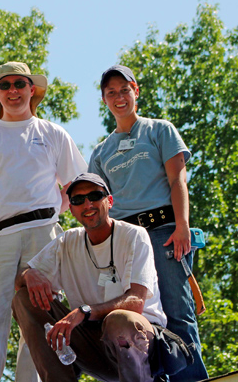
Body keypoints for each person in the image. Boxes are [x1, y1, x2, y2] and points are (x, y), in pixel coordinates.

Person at [0, 62, 87, 381]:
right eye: (5, 85)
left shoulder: (53, 133)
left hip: (44, 236)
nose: (13, 90)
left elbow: (76, 186)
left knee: (42, 320)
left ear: (32, 89)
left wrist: (54, 212)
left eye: (19, 83)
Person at [88, 65, 208, 380]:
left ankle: (192, 378)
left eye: (124, 90)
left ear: (135, 91)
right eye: (111, 93)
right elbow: (97, 203)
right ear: (104, 99)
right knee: (140, 316)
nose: (119, 97)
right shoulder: (102, 152)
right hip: (126, 241)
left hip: (166, 232)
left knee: (177, 313)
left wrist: (182, 226)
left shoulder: (159, 130)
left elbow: (177, 180)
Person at [13, 173, 168, 382]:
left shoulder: (134, 235)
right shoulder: (67, 241)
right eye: (78, 200)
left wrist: (84, 312)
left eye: (95, 196)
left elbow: (136, 301)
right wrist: (29, 274)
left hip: (140, 345)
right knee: (24, 299)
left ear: (109, 201)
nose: (87, 204)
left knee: (119, 320)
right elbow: (20, 282)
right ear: (72, 209)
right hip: (91, 344)